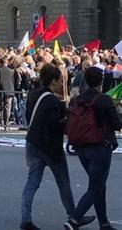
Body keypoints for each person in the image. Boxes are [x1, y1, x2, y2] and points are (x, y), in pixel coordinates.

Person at [19, 65, 93, 230]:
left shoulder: (33, 94)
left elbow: (30, 116)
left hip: (32, 142)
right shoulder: (53, 101)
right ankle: (73, 216)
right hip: (50, 148)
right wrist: (67, 116)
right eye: (60, 80)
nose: (62, 84)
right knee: (63, 182)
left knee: (32, 182)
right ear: (53, 81)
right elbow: (56, 125)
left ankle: (26, 218)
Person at [64, 67, 122, 230]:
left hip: (81, 147)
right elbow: (117, 124)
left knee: (98, 184)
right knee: (96, 186)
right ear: (101, 81)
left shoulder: (77, 99)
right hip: (100, 147)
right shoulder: (103, 99)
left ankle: (104, 223)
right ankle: (74, 219)